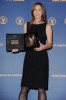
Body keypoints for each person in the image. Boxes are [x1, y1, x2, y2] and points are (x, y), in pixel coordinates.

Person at [12, 2, 52, 100]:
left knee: (41, 89)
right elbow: (26, 43)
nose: (37, 12)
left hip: (41, 59)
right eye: (35, 9)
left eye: (39, 10)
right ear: (32, 11)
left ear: (43, 12)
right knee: (24, 88)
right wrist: (18, 48)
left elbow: (50, 43)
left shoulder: (47, 26)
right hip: (29, 58)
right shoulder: (26, 25)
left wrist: (43, 47)